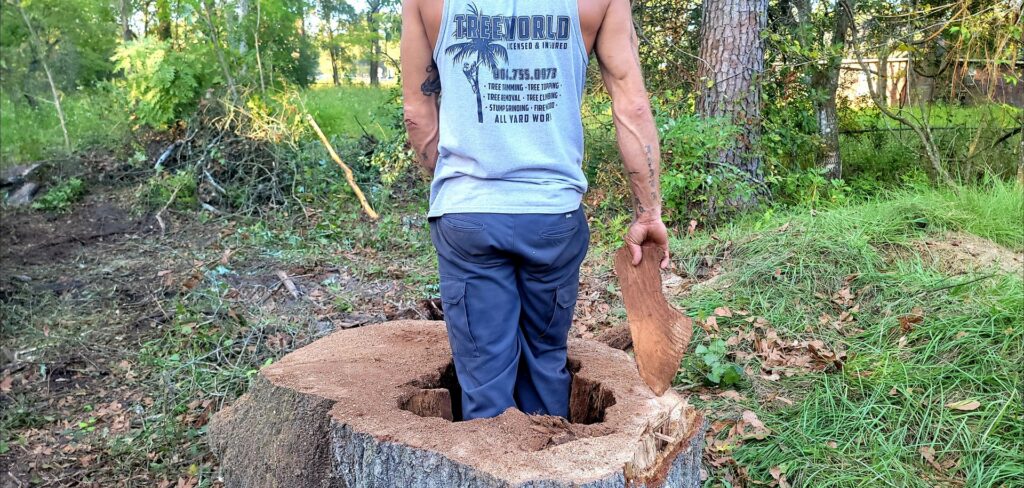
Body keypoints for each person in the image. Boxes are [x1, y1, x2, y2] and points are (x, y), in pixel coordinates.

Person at [401, 0, 669, 421]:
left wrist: (458, 188)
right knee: (545, 362)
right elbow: (631, 104)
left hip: (467, 218)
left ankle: (486, 450)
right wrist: (648, 213)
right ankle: (551, 445)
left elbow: (418, 114)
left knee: (484, 385)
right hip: (552, 218)